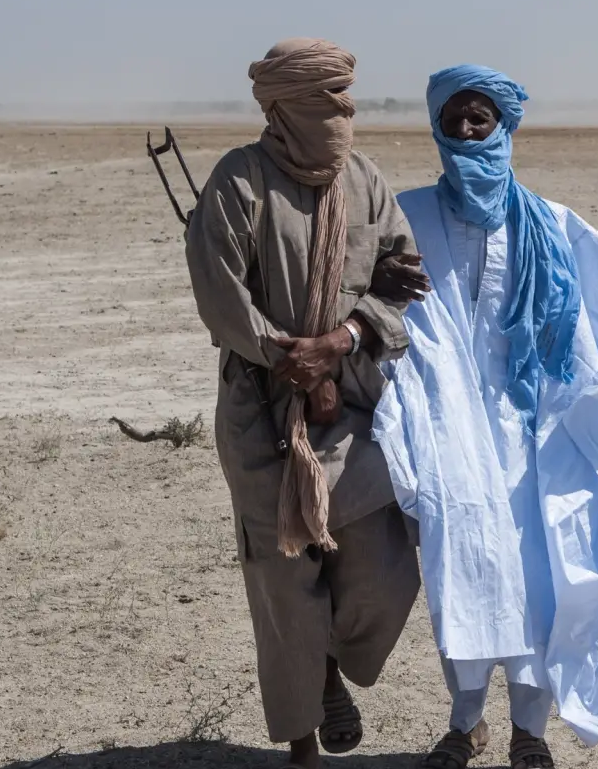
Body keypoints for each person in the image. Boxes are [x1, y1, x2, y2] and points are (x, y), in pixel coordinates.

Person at [373, 65, 598, 769]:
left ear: (506, 126)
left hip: (539, 433)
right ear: (436, 129)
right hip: (449, 432)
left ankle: (529, 731)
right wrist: (381, 280)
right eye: (454, 120)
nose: (468, 131)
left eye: (482, 119)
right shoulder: (404, 220)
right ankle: (465, 722)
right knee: (463, 571)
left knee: (540, 580)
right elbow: (354, 287)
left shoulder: (554, 224)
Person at [184, 38, 433, 769]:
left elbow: (401, 281)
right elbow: (219, 295)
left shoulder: (364, 180)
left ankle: (331, 665)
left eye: (346, 99)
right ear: (283, 107)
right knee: (285, 581)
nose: (342, 113)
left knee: (385, 572)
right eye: (326, 101)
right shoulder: (239, 181)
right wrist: (292, 359)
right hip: (263, 410)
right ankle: (303, 743)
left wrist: (343, 340)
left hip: (355, 399)